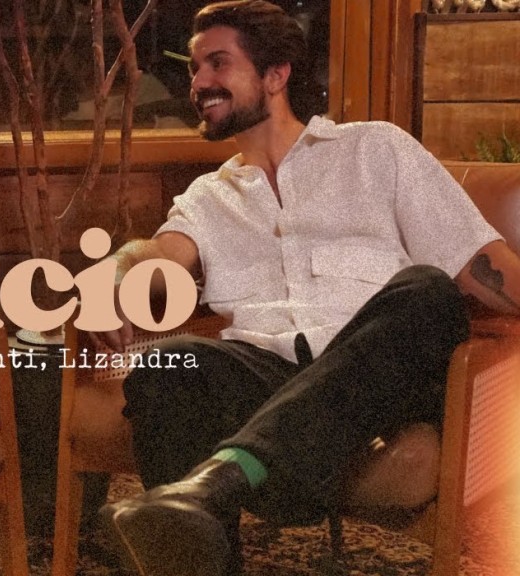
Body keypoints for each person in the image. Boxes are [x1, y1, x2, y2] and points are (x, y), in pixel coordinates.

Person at [93, 1, 520, 574]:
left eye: (218, 63)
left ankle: (221, 478)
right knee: (168, 363)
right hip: (266, 381)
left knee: (427, 291)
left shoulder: (377, 150)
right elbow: (156, 255)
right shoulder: (208, 197)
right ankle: (208, 518)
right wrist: (113, 274)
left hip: (377, 384)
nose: (198, 83)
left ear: (276, 75)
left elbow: (486, 267)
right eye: (194, 69)